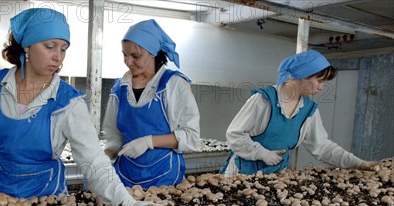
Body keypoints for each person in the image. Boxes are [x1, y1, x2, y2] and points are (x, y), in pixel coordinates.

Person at [0, 8, 161, 206]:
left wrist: (127, 202)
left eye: (63, 49)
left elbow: (94, 161)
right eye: (49, 46)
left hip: (44, 199)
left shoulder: (68, 102)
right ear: (27, 46)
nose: (58, 57)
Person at [219, 49, 374, 176]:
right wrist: (262, 153)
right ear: (303, 75)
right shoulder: (264, 100)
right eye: (319, 81)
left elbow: (322, 147)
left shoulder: (308, 109)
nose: (321, 87)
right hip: (241, 174)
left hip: (274, 174)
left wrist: (358, 163)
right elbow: (234, 134)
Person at [101, 19, 201, 189]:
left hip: (165, 179)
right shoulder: (119, 89)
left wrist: (148, 142)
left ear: (153, 52)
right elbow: (114, 136)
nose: (128, 62)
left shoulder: (173, 84)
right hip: (125, 178)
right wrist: (103, 157)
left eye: (135, 56)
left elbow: (191, 137)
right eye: (124, 55)